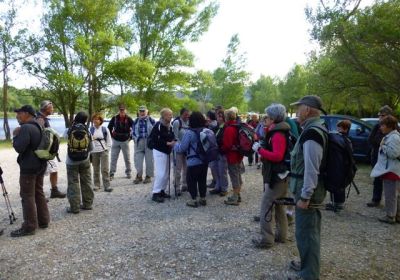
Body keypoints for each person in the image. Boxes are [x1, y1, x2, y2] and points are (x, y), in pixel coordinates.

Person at [288, 95, 328, 280]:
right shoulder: (313, 129)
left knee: (307, 235)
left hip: (308, 193)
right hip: (308, 191)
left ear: (307, 110)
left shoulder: (312, 132)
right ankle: (307, 265)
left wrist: (305, 196)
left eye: (299, 108)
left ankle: (309, 275)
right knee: (307, 232)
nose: (297, 111)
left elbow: (312, 169)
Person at [251, 104, 290, 249]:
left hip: (277, 176)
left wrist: (260, 150)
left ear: (273, 118)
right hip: (282, 175)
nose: (264, 119)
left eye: (267, 116)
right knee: (279, 205)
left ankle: (267, 239)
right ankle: (281, 236)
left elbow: (277, 156)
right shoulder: (280, 130)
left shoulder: (277, 133)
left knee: (266, 206)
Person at [11, 105, 50, 237]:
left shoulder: (26, 127)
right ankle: (44, 221)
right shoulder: (39, 125)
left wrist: (15, 136)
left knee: (27, 195)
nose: (17, 116)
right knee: (39, 192)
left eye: (19, 113)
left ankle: (29, 226)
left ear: (27, 113)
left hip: (28, 167)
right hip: (40, 164)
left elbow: (19, 148)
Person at [173, 112, 209, 207]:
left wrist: (174, 145)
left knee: (191, 180)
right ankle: (203, 198)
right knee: (202, 180)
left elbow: (182, 148)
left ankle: (193, 200)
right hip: (204, 160)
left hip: (193, 161)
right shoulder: (206, 130)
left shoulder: (189, 133)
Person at [370, 115, 400, 224]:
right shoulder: (391, 136)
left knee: (390, 195)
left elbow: (394, 153)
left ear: (390, 126)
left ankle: (390, 216)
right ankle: (396, 215)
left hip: (391, 171)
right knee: (394, 194)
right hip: (390, 169)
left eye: (382, 125)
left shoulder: (394, 137)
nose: (380, 127)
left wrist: (383, 146)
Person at [65, 112, 94, 214]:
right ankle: (88, 204)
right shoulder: (87, 130)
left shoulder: (69, 129)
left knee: (73, 183)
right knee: (86, 181)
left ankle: (75, 207)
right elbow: (92, 147)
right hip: (85, 160)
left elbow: (65, 140)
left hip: (71, 161)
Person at [36, 100, 66, 199]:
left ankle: (54, 190)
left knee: (54, 170)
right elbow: (39, 135)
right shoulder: (40, 119)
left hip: (49, 151)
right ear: (46, 108)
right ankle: (40, 195)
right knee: (40, 173)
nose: (53, 109)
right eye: (51, 107)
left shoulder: (44, 118)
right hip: (44, 152)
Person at [367, 105, 393, 207]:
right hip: (376, 156)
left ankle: (391, 204)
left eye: (383, 115)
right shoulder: (377, 126)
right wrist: (381, 143)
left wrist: (382, 144)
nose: (380, 118)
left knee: (390, 182)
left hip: (389, 158)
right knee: (377, 179)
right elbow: (370, 140)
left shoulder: (395, 128)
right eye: (379, 116)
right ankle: (376, 200)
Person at [325, 119, 352, 212]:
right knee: (339, 184)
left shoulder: (341, 139)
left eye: (339, 127)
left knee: (337, 184)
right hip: (343, 165)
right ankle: (336, 202)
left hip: (340, 165)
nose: (337, 129)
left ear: (343, 128)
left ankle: (338, 204)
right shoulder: (346, 139)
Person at [150, 108, 175, 203]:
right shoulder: (158, 125)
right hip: (159, 151)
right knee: (161, 172)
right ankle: (155, 193)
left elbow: (172, 135)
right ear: (164, 116)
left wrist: (173, 141)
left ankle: (162, 190)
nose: (171, 116)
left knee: (167, 172)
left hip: (167, 151)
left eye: (171, 114)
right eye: (169, 115)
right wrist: (167, 143)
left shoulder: (170, 125)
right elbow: (155, 139)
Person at [222, 108, 244, 205]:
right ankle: (237, 194)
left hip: (232, 156)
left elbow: (227, 145)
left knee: (234, 176)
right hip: (239, 155)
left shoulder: (229, 128)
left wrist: (221, 148)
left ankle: (235, 197)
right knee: (238, 174)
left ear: (226, 117)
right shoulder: (237, 126)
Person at [108, 104, 134, 180]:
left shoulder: (129, 118)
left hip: (125, 141)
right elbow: (109, 128)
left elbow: (135, 128)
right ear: (118, 110)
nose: (122, 111)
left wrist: (131, 137)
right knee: (113, 158)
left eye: (123, 110)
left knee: (127, 158)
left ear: (125, 110)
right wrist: (111, 137)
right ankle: (111, 173)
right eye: (120, 110)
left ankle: (128, 172)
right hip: (115, 140)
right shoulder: (114, 118)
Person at [132, 105, 156, 184]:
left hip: (148, 142)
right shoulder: (135, 121)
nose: (142, 113)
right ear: (138, 112)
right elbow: (132, 131)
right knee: (137, 160)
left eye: (143, 111)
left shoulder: (152, 120)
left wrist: (153, 140)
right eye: (140, 111)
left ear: (147, 112)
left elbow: (156, 131)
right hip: (139, 142)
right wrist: (135, 138)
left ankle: (148, 176)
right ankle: (139, 176)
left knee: (149, 160)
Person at [90, 113, 113, 192]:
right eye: (94, 119)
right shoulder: (90, 130)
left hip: (103, 151)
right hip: (94, 152)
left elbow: (109, 140)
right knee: (95, 169)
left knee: (105, 169)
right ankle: (97, 185)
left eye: (97, 119)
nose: (95, 121)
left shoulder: (105, 129)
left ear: (100, 121)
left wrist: (107, 149)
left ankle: (107, 185)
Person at [209, 110, 229, 196]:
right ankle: (218, 186)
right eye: (218, 116)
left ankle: (224, 188)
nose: (219, 118)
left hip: (222, 152)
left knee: (222, 171)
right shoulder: (216, 127)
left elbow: (225, 140)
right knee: (214, 168)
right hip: (215, 152)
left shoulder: (226, 127)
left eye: (221, 116)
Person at [172, 108, 190, 194]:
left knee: (186, 168)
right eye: (185, 115)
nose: (187, 116)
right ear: (181, 114)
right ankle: (177, 187)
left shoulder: (189, 122)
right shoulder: (177, 123)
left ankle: (185, 184)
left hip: (187, 149)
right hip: (178, 149)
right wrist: (181, 146)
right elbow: (175, 137)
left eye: (188, 115)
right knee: (178, 169)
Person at [206, 110, 218, 189]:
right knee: (214, 166)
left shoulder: (212, 125)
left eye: (207, 116)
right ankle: (216, 181)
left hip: (212, 148)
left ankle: (215, 181)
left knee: (213, 166)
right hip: (215, 148)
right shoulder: (215, 123)